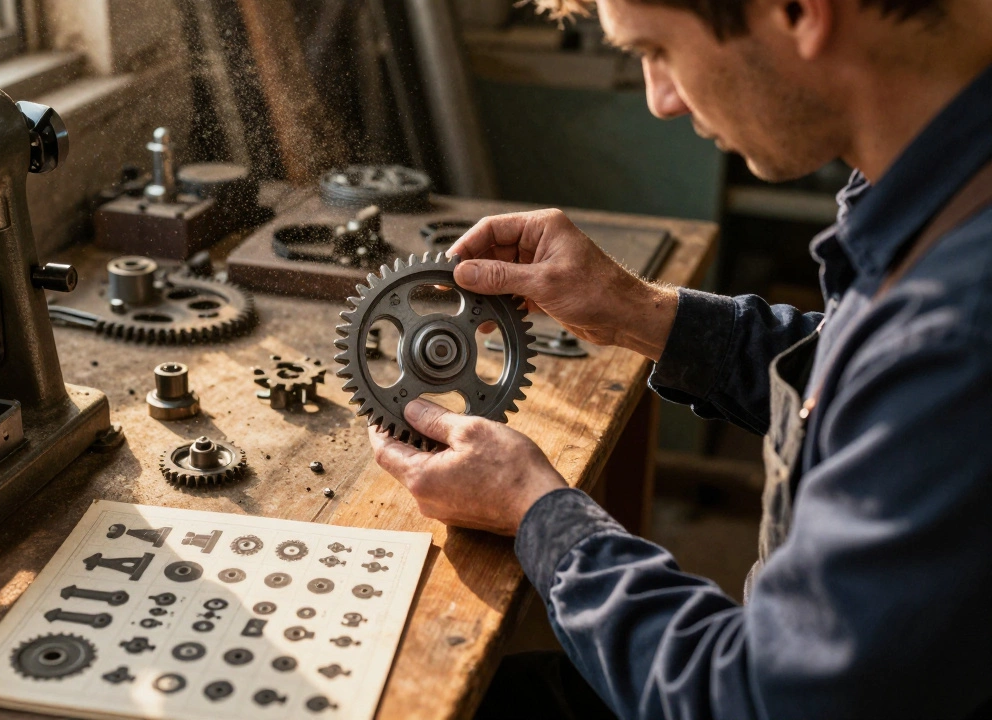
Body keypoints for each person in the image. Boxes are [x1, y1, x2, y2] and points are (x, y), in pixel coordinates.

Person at [367, 0, 992, 716]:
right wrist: (638, 313)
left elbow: (751, 701)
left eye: (658, 50)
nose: (661, 100)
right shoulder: (935, 187)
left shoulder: (960, 331)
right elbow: (863, 380)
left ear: (798, 11)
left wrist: (534, 509)